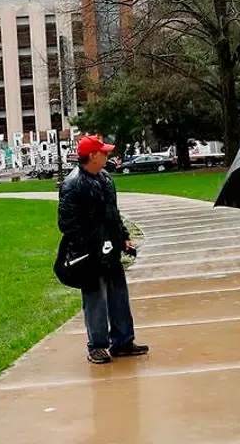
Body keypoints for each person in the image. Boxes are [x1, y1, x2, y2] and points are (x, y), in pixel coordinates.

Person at [58, 135, 149, 365]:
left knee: (119, 294)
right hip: (89, 253)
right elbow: (67, 223)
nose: (107, 155)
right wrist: (85, 249)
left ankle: (123, 341)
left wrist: (124, 237)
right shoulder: (73, 184)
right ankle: (97, 345)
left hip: (111, 248)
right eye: (104, 152)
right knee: (95, 298)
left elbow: (113, 214)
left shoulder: (106, 179)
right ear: (93, 156)